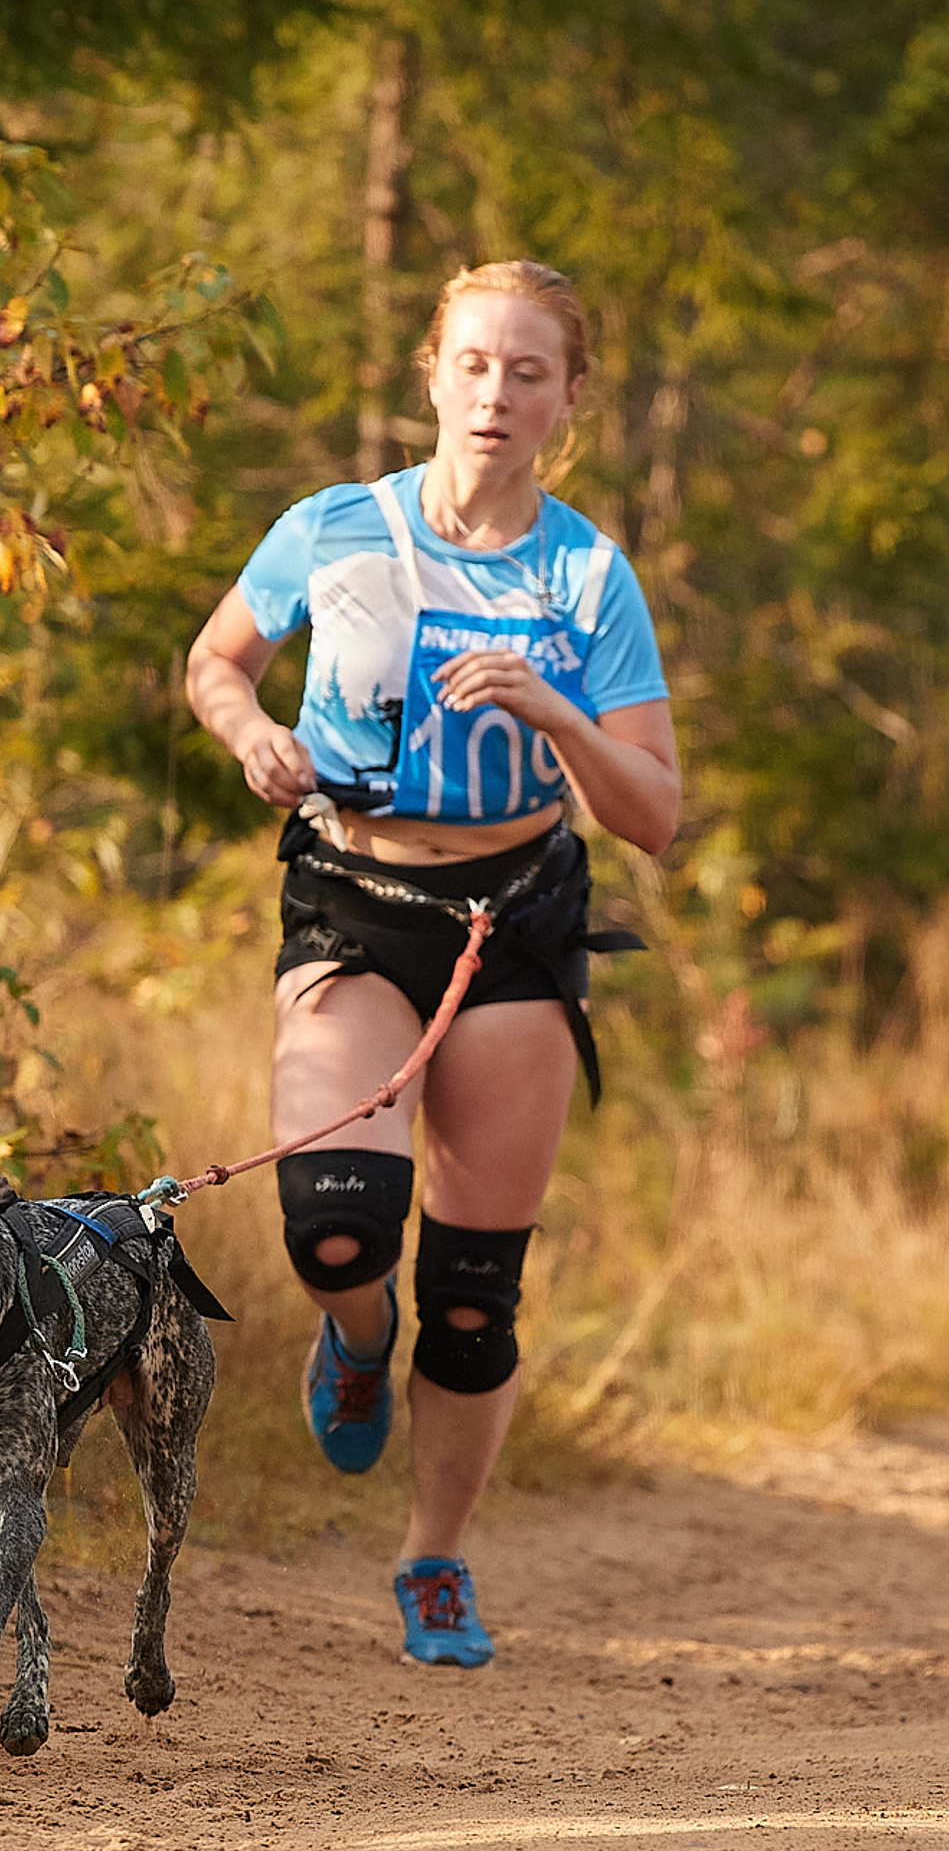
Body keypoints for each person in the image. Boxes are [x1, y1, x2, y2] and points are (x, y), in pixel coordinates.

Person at [185, 260, 679, 1667]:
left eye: (530, 373)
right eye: (474, 364)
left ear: (570, 400)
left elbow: (653, 814)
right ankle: (350, 1338)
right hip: (352, 897)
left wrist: (559, 712)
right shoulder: (336, 529)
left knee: (472, 1300)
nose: (496, 394)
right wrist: (250, 736)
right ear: (432, 372)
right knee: (336, 1222)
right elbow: (217, 662)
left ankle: (436, 1560)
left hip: (518, 917)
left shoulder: (585, 574)